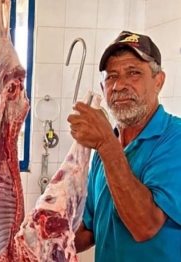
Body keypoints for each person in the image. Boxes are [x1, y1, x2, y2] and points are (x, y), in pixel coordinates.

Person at [67, 30, 181, 262]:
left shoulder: (175, 138)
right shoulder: (105, 146)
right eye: (111, 76)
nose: (119, 86)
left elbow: (145, 226)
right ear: (103, 88)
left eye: (134, 73)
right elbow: (88, 229)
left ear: (159, 81)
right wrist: (40, 239)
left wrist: (106, 143)